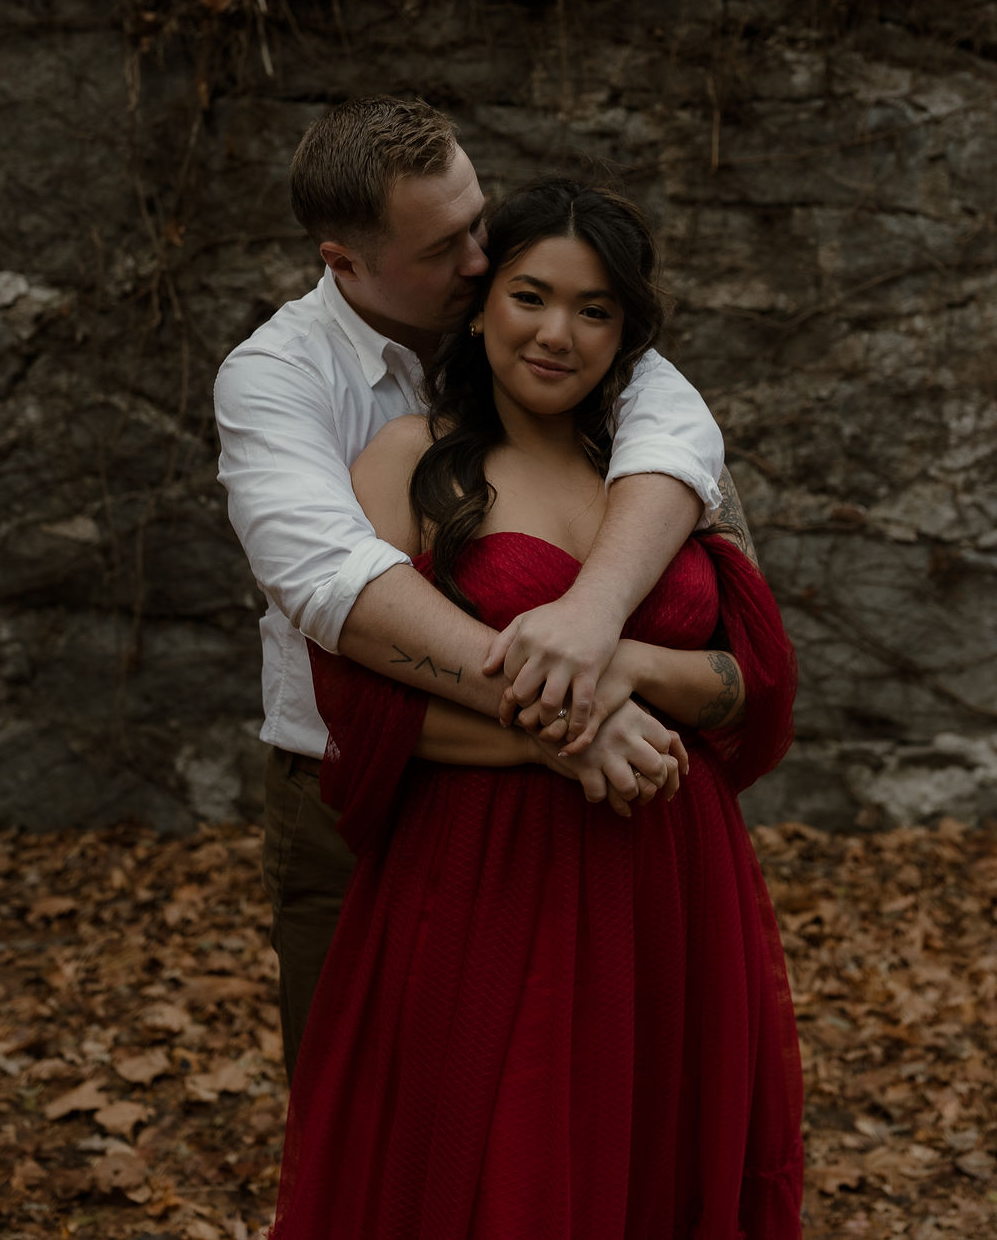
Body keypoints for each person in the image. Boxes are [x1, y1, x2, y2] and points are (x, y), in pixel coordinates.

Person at [269, 179, 803, 1239]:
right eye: (530, 295)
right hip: (478, 875)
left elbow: (753, 682)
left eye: (594, 308)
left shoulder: (660, 475)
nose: (557, 332)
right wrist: (574, 736)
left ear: (626, 333)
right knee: (496, 1173)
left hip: (669, 872)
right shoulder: (406, 461)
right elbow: (368, 709)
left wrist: (631, 668)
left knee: (654, 1159)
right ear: (478, 304)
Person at [214, 97, 728, 1081]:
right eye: (446, 245)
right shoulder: (276, 377)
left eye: (478, 220)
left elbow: (675, 432)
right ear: (344, 262)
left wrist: (589, 615)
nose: (482, 262)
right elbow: (332, 583)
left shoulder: (534, 317)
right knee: (366, 1108)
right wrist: (571, 715)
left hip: (568, 818)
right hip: (356, 787)